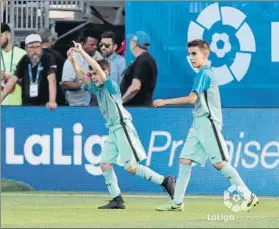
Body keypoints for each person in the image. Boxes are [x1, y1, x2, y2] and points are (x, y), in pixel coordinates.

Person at [153, 39, 259, 212]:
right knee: (185, 160)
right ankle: (177, 202)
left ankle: (248, 196)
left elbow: (191, 99)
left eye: (194, 54)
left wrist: (165, 101)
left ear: (206, 53)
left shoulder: (205, 74)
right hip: (198, 124)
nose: (191, 58)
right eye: (189, 54)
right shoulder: (201, 73)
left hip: (209, 123)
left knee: (219, 163)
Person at [67, 41, 175, 209]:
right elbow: (81, 75)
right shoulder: (98, 89)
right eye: (92, 74)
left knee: (131, 168)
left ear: (106, 72)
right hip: (113, 130)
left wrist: (81, 52)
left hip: (123, 126)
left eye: (96, 73)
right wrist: (73, 59)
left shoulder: (111, 85)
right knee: (105, 164)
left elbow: (95, 65)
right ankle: (117, 199)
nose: (94, 76)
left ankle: (165, 181)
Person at [0, 33, 57, 110]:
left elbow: (52, 79)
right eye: (31, 47)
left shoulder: (49, 57)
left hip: (44, 105)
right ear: (26, 48)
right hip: (27, 104)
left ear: (41, 46)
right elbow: (13, 79)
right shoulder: (24, 59)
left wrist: (52, 101)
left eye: (37, 46)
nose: (35, 50)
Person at [62, 29, 102, 106]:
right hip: (78, 104)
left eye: (96, 44)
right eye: (92, 45)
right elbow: (66, 84)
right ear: (82, 44)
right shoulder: (72, 59)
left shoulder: (98, 56)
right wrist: (84, 85)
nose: (95, 47)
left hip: (97, 103)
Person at [121, 31, 158, 106]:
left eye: (131, 40)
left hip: (137, 108)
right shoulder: (145, 59)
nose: (130, 43)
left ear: (134, 43)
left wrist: (120, 102)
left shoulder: (142, 60)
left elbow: (135, 87)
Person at [37, 28, 66, 105]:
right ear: (50, 39)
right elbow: (62, 74)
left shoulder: (31, 56)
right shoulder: (57, 55)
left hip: (36, 94)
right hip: (55, 94)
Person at [1, 23, 26, 105]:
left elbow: (29, 80)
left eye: (0, 36)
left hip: (18, 105)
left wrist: (14, 78)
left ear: (9, 35)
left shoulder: (23, 54)